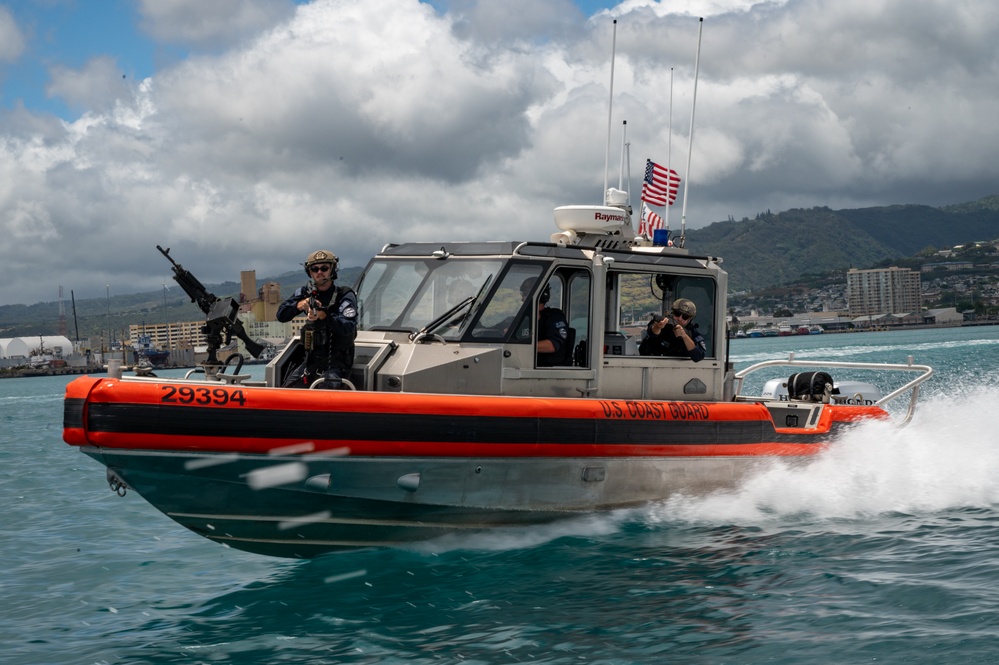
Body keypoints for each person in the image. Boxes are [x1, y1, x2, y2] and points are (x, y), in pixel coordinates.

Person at [276, 249, 358, 388]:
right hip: (311, 362)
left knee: (325, 391)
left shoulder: (344, 295)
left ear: (332, 270)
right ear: (310, 272)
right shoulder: (304, 293)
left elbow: (348, 326)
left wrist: (324, 316)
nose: (319, 272)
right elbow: (281, 315)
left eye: (324, 268)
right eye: (315, 269)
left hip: (336, 363)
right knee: (287, 391)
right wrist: (300, 305)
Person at [517, 277, 570, 367]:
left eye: (525, 295)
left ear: (540, 295)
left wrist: (519, 345)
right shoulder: (523, 318)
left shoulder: (554, 317)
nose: (522, 299)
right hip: (523, 365)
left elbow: (552, 345)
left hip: (545, 370)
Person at [639, 297, 706, 362]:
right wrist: (658, 327)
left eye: (685, 317)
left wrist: (684, 336)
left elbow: (698, 356)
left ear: (690, 319)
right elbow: (651, 333)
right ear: (672, 312)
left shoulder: (692, 332)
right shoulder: (664, 322)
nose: (680, 318)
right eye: (677, 313)